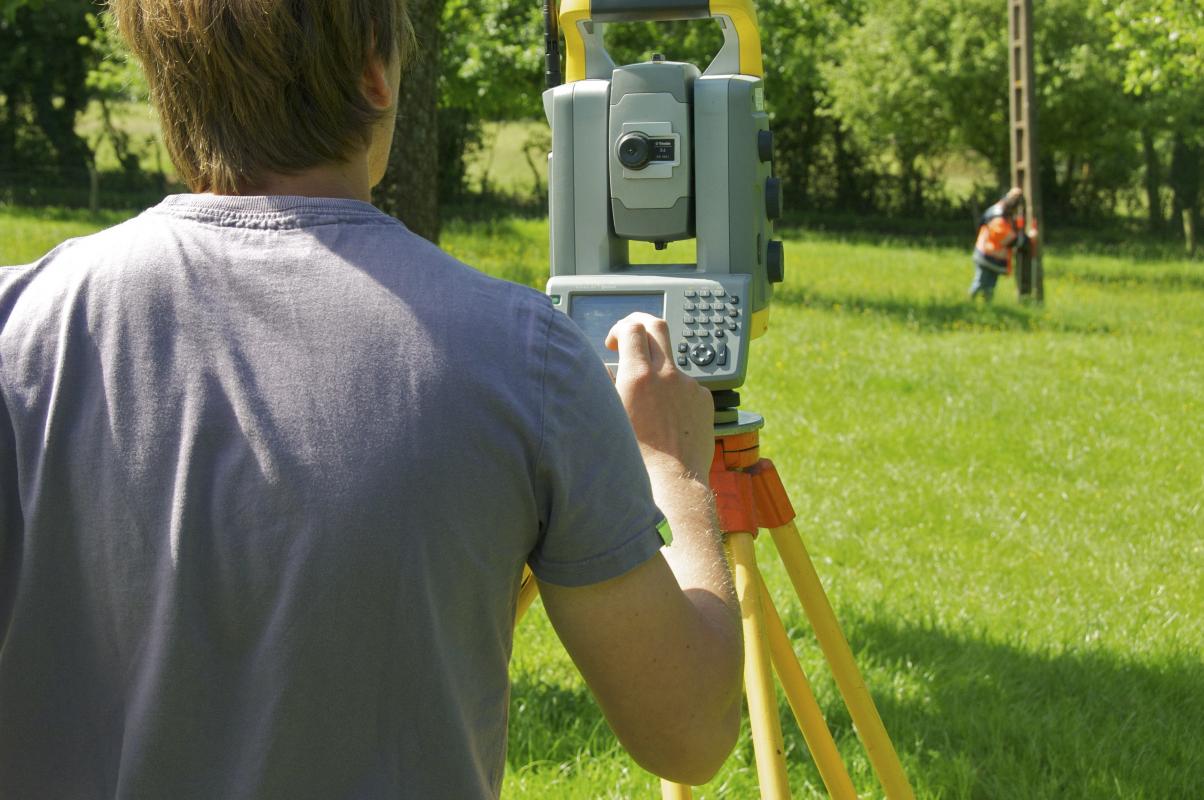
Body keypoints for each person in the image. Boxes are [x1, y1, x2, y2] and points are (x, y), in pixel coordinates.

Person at [0, 1, 742, 797]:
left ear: (162, 78)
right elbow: (689, 734)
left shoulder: (19, 323)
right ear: (373, 75)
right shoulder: (523, 357)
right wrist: (673, 468)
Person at [970, 186, 1036, 301]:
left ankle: (986, 305)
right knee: (980, 283)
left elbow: (1014, 226)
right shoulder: (998, 218)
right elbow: (1011, 240)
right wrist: (1030, 238)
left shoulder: (1000, 209)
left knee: (989, 287)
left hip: (992, 258)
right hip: (987, 256)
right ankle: (971, 302)